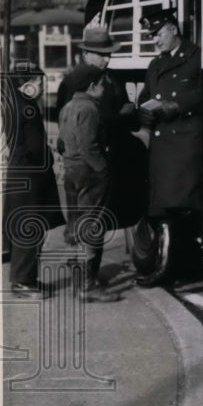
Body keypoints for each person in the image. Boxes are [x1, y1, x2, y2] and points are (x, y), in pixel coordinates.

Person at [56, 25, 140, 239]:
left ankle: (83, 264)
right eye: (101, 55)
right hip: (86, 163)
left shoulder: (111, 79)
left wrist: (128, 113)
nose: (106, 60)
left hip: (109, 156)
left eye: (109, 54)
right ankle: (82, 266)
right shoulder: (72, 83)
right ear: (85, 54)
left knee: (95, 221)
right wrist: (121, 116)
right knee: (85, 220)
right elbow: (74, 126)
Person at [59, 63, 121, 303]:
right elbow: (88, 147)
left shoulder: (67, 107)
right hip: (89, 173)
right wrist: (103, 169)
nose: (105, 88)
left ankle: (79, 281)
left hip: (71, 171)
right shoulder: (90, 109)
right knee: (92, 228)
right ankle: (87, 285)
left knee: (75, 226)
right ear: (92, 86)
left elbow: (64, 144)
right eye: (103, 84)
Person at [3, 61, 65, 298]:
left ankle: (28, 278)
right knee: (27, 228)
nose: (41, 85)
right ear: (24, 83)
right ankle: (21, 282)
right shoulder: (22, 106)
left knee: (33, 227)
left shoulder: (21, 103)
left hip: (29, 173)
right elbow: (30, 144)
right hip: (27, 174)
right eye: (38, 81)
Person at [136, 8, 203, 218]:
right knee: (160, 213)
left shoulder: (198, 57)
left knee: (181, 211)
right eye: (152, 36)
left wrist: (176, 105)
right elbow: (145, 96)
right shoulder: (155, 64)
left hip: (184, 148)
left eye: (159, 34)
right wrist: (144, 111)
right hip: (160, 147)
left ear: (173, 29)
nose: (156, 40)